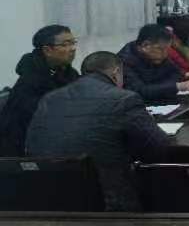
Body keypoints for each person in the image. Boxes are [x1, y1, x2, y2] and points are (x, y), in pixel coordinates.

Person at [26, 51, 171, 211]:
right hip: (107, 199)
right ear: (116, 72)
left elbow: (31, 145)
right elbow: (158, 147)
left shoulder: (49, 98)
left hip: (49, 195)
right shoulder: (124, 99)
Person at [0, 25, 80, 156]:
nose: (72, 48)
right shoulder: (30, 81)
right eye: (65, 44)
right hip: (24, 152)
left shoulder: (70, 74)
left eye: (73, 43)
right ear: (47, 50)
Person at [118, 24, 189, 101]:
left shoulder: (158, 56)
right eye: (161, 49)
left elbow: (177, 74)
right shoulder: (124, 61)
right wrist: (177, 86)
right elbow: (140, 91)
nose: (165, 54)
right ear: (145, 45)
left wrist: (162, 87)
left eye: (167, 49)